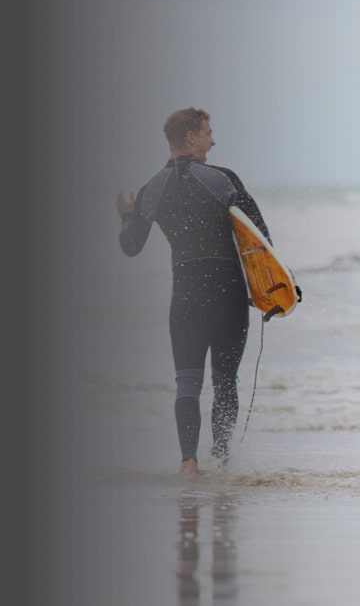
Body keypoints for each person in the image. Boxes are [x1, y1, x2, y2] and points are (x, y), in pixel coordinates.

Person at [116, 108, 271, 479]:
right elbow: (260, 237)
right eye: (208, 133)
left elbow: (131, 246)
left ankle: (188, 463)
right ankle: (221, 462)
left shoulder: (151, 189)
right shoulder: (222, 180)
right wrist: (270, 291)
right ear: (190, 138)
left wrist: (126, 216)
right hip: (227, 293)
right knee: (225, 380)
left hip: (184, 294)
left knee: (187, 381)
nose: (212, 140)